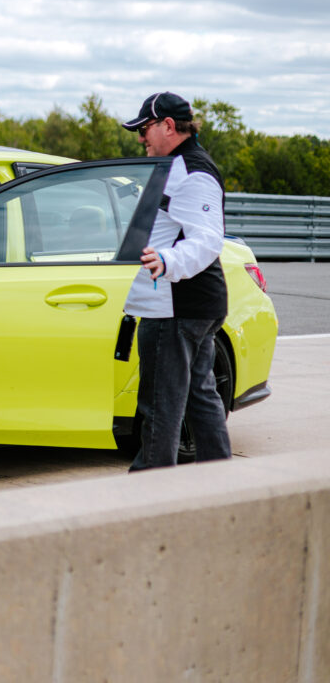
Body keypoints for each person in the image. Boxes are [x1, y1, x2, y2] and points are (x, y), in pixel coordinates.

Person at [120, 92, 230, 470]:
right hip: (193, 304)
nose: (140, 138)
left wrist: (167, 261)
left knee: (160, 407)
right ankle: (223, 485)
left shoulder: (192, 171)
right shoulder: (176, 165)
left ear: (168, 126)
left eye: (144, 128)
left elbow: (207, 238)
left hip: (176, 308)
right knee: (200, 397)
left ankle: (151, 496)